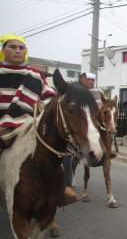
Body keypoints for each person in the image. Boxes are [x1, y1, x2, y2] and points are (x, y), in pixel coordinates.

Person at [0, 34, 78, 205]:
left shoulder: (34, 75)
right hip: (1, 126)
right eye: (13, 47)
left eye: (21, 48)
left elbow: (50, 97)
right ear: (3, 50)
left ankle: (63, 189)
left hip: (29, 125)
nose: (17, 50)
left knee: (61, 146)